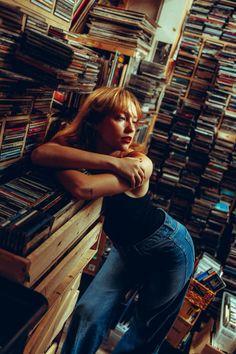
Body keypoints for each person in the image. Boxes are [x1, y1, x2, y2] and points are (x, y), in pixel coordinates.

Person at [31, 86, 195, 354]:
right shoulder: (111, 159)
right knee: (87, 313)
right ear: (95, 121)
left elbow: (82, 187)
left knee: (141, 334)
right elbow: (40, 154)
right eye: (121, 118)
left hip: (168, 249)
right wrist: (111, 162)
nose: (131, 129)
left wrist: (67, 164)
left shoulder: (139, 163)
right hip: (127, 250)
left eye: (135, 121)